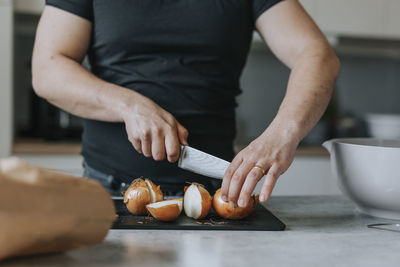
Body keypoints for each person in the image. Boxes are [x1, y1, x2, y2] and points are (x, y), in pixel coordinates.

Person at [32, 0, 340, 207]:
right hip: (107, 192)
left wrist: (281, 136)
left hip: (215, 197)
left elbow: (317, 55)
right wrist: (129, 105)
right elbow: (47, 69)